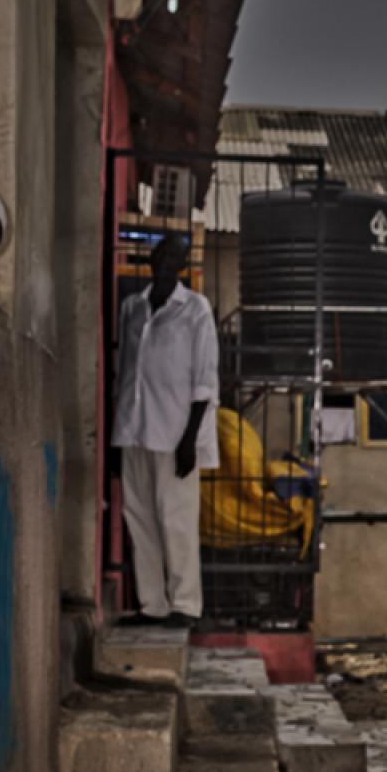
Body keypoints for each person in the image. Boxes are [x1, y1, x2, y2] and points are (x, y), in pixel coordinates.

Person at [112, 231, 217, 628]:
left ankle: (185, 604)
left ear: (184, 266)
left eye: (176, 255)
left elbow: (205, 380)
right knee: (139, 516)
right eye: (162, 252)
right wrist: (115, 437)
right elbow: (125, 374)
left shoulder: (195, 310)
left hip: (175, 434)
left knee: (176, 518)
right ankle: (151, 604)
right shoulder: (132, 308)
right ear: (152, 258)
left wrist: (191, 438)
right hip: (134, 429)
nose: (166, 260)